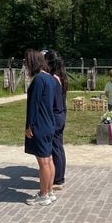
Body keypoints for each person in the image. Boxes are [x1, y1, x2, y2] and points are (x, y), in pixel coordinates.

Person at [24, 49, 58, 206]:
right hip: (49, 123)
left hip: (40, 125)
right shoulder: (51, 79)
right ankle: (49, 191)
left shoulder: (38, 79)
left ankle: (43, 195)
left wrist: (28, 126)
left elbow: (33, 105)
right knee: (49, 159)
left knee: (43, 162)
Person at [44, 50, 68, 192]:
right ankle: (59, 177)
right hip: (61, 113)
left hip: (56, 114)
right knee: (58, 145)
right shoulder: (61, 75)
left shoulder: (55, 78)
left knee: (56, 146)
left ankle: (58, 179)